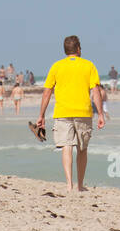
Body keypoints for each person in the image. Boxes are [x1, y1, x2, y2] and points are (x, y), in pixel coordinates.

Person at [35, 35, 105, 192]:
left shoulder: (56, 66)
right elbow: (96, 92)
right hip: (84, 112)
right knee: (82, 148)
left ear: (65, 50)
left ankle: (69, 184)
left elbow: (47, 93)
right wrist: (100, 114)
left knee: (66, 146)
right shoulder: (89, 65)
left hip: (62, 112)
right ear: (79, 49)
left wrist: (41, 115)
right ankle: (80, 185)